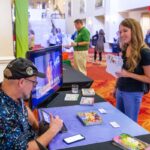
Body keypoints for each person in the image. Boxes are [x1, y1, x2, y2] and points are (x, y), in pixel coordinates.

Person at [0, 58, 63, 149]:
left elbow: (24, 108)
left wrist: (36, 125)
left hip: (30, 136)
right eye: (34, 83)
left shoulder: (9, 90)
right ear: (21, 82)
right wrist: (54, 129)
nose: (34, 87)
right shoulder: (3, 115)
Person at [113, 18, 150, 122]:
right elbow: (122, 72)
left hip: (133, 92)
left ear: (134, 31)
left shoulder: (144, 52)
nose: (121, 34)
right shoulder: (125, 48)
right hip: (121, 89)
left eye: (125, 30)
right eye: (120, 32)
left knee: (130, 125)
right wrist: (116, 87)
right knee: (119, 121)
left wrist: (128, 74)